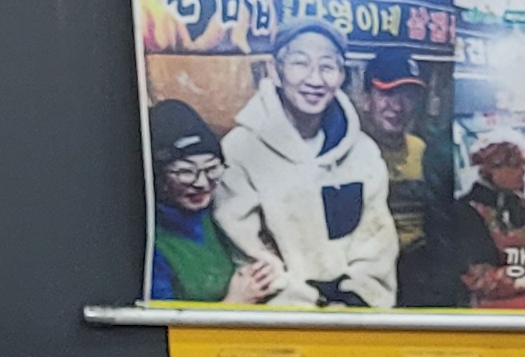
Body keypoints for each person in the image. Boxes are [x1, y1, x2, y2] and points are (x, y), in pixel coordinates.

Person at [221, 21, 400, 307]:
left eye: (328, 67)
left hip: (355, 317)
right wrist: (310, 300)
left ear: (342, 75)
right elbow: (247, 250)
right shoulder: (240, 150)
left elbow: (377, 243)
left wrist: (353, 298)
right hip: (281, 319)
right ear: (274, 70)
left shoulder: (362, 152)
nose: (315, 79)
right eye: (300, 63)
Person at [358, 48, 469, 305]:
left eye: (407, 95)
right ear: (366, 99)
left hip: (420, 274)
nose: (397, 106)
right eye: (386, 93)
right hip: (370, 274)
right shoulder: (352, 155)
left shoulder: (424, 150)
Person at [147, 100, 283, 304]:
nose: (202, 183)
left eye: (212, 169)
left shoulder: (223, 214)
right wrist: (235, 302)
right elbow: (159, 331)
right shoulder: (153, 244)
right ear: (158, 175)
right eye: (185, 172)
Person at [454, 133, 525, 306]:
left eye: (524, 162)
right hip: (502, 303)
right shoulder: (468, 209)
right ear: (490, 168)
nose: (522, 170)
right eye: (514, 165)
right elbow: (475, 274)